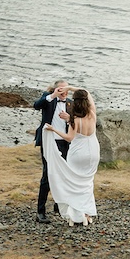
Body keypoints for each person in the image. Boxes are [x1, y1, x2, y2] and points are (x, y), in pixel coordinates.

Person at [43, 88, 100, 226]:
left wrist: (54, 129)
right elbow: (88, 93)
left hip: (78, 153)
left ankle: (76, 216)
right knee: (87, 182)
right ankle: (87, 213)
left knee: (74, 182)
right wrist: (70, 88)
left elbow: (69, 138)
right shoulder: (92, 114)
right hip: (93, 152)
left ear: (75, 102)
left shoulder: (75, 120)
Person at [33, 80, 73, 223]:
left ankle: (59, 204)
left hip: (64, 142)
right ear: (56, 89)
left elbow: (75, 123)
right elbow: (36, 106)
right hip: (49, 141)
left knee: (63, 174)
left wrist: (69, 119)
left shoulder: (69, 103)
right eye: (62, 89)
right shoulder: (48, 98)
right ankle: (40, 211)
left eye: (67, 89)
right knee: (47, 175)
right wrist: (53, 95)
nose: (65, 92)